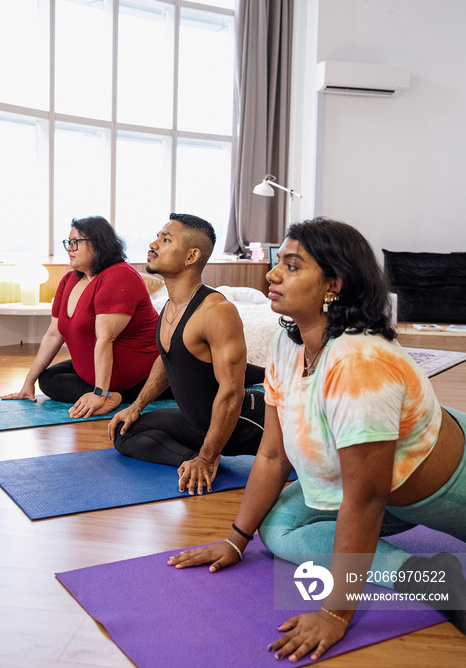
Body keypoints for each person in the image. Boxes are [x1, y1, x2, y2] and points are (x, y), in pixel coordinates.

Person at [167, 217, 466, 661]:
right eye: (277, 264)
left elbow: (365, 499)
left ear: (334, 285)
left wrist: (336, 613)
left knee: (347, 508)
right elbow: (271, 456)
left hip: (445, 486)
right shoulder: (287, 346)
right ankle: (430, 576)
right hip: (381, 489)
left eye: (291, 266)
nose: (272, 274)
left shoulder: (359, 362)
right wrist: (235, 540)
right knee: (278, 528)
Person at [108, 213, 265, 495]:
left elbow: (232, 393)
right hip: (197, 422)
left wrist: (208, 455)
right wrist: (137, 405)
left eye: (166, 239)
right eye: (157, 236)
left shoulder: (216, 311)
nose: (153, 244)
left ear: (191, 256)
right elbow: (167, 359)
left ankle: (206, 457)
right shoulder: (170, 306)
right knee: (125, 433)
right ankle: (192, 460)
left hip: (246, 424)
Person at [2, 216, 159, 419]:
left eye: (76, 242)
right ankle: (107, 392)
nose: (69, 248)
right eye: (68, 242)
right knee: (48, 379)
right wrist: (28, 383)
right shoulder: (69, 280)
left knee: (64, 382)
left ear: (98, 244)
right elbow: (53, 334)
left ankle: (112, 395)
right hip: (93, 370)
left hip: (135, 375)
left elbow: (105, 338)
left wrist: (99, 393)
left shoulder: (119, 276)